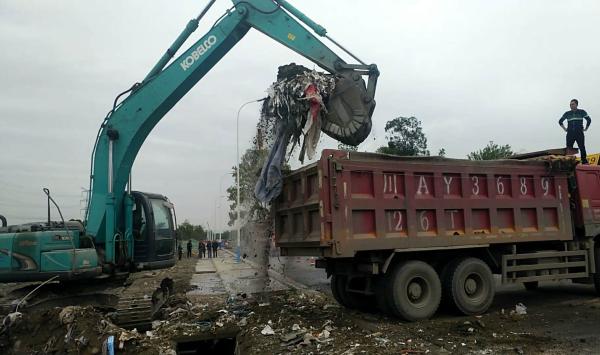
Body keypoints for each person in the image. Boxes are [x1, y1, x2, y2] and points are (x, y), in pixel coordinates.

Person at [559, 99, 591, 164]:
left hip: (579, 132)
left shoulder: (582, 112)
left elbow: (589, 120)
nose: (571, 105)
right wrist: (564, 128)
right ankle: (568, 162)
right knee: (569, 148)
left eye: (573, 104)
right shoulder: (567, 113)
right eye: (570, 104)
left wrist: (586, 128)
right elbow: (560, 121)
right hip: (570, 133)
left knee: (582, 147)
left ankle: (584, 161)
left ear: (576, 104)